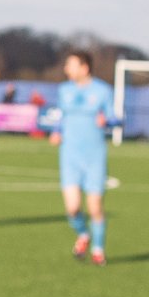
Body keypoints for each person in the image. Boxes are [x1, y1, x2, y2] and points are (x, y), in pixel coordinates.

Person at [50, 50, 114, 266]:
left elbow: (115, 117)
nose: (67, 69)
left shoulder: (103, 90)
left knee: (95, 207)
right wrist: (57, 131)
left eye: (71, 65)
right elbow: (60, 115)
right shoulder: (64, 90)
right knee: (72, 208)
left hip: (94, 155)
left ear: (84, 67)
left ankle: (98, 250)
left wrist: (108, 121)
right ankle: (83, 235)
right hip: (69, 155)